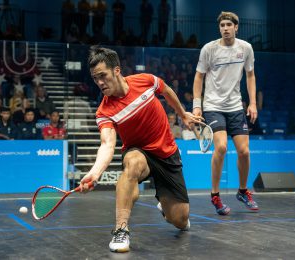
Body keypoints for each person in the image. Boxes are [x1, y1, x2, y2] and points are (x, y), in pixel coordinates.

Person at [79, 46, 203, 253]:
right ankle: (121, 229)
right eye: (95, 78)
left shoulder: (145, 81)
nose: (99, 82)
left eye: (103, 75)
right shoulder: (104, 111)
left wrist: (182, 114)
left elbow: (167, 91)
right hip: (139, 151)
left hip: (167, 154)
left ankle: (165, 207)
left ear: (116, 70)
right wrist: (95, 173)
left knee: (181, 220)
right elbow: (107, 143)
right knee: (133, 164)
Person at [192, 11, 259, 215]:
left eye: (229, 25)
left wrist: (253, 103)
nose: (226, 28)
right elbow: (198, 78)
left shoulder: (245, 48)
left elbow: (250, 76)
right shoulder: (209, 49)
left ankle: (242, 190)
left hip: (236, 107)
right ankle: (215, 195)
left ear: (236, 27)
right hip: (213, 106)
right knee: (220, 147)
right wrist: (197, 105)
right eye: (222, 25)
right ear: (219, 28)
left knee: (244, 151)